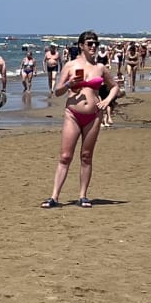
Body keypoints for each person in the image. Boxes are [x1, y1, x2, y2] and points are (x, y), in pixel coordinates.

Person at [45, 32, 117, 206]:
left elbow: (114, 87)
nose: (94, 46)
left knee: (86, 156)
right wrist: (69, 84)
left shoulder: (100, 68)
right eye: (90, 43)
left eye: (96, 43)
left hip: (93, 116)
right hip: (73, 114)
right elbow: (58, 91)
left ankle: (83, 196)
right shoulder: (70, 65)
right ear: (81, 45)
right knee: (65, 156)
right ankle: (54, 197)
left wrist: (106, 100)